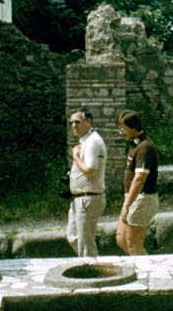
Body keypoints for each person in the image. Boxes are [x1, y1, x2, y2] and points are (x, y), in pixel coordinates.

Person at [115, 110, 159, 256]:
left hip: (142, 199)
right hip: (133, 198)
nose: (121, 132)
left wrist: (127, 205)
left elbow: (139, 179)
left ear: (134, 127)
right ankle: (143, 266)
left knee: (133, 245)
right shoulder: (135, 144)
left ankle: (148, 275)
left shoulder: (145, 147)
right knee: (121, 239)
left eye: (123, 129)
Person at [65, 108, 107, 257]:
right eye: (71, 123)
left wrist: (75, 157)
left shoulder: (92, 142)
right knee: (73, 237)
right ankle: (92, 265)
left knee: (85, 244)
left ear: (88, 122)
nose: (73, 126)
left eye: (77, 122)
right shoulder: (86, 141)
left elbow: (90, 170)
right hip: (79, 199)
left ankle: (91, 273)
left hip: (88, 198)